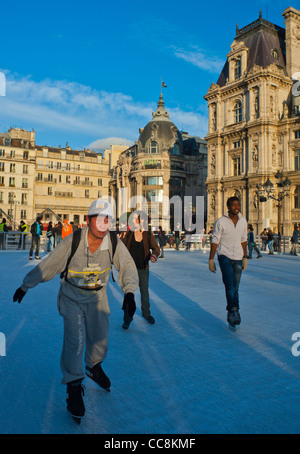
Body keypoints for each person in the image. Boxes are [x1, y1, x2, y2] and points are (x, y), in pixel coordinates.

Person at [13, 198, 138, 423]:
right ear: (88, 221)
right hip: (71, 296)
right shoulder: (73, 241)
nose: (102, 225)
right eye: (98, 219)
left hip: (97, 296)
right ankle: (73, 386)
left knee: (100, 337)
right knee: (75, 340)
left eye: (106, 220)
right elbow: (49, 265)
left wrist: (129, 292)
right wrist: (26, 285)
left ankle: (93, 366)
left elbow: (127, 266)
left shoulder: (113, 242)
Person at [208, 196, 248, 328]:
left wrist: (245, 257)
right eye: (234, 205)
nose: (236, 207)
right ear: (228, 207)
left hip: (238, 256)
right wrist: (211, 259)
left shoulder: (243, 221)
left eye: (238, 205)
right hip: (224, 255)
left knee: (235, 286)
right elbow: (215, 240)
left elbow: (244, 240)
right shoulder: (221, 222)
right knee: (230, 284)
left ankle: (231, 310)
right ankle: (234, 311)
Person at [122, 210, 160, 328]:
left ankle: (146, 314)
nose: (135, 221)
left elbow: (156, 248)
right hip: (130, 269)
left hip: (143, 268)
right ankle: (127, 318)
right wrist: (122, 236)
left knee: (144, 292)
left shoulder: (148, 234)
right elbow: (121, 247)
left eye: (137, 219)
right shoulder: (129, 233)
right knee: (129, 294)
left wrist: (154, 255)